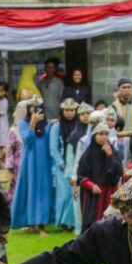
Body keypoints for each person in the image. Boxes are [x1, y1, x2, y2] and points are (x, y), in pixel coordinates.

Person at [11, 97, 54, 236]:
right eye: (31, 107)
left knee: (43, 191)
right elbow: (27, 140)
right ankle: (30, 222)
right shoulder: (23, 124)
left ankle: (42, 225)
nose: (34, 109)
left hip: (45, 163)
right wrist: (33, 123)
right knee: (30, 190)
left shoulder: (47, 124)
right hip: (29, 163)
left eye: (37, 106)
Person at [77, 122, 124, 231]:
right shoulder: (88, 155)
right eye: (101, 134)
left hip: (109, 192)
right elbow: (81, 176)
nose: (104, 137)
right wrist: (91, 186)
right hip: (93, 195)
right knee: (93, 222)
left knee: (109, 222)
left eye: (106, 134)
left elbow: (119, 172)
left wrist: (110, 155)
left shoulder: (114, 152)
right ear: (94, 136)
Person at [50, 98, 84, 231]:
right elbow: (53, 147)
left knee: (74, 195)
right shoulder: (56, 127)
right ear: (62, 111)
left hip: (76, 164)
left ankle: (73, 222)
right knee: (63, 196)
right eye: (67, 110)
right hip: (62, 167)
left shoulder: (79, 125)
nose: (70, 113)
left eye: (72, 110)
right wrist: (61, 163)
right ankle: (62, 223)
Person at [71, 103, 95, 233]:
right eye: (83, 114)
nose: (86, 116)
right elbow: (77, 160)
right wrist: (74, 178)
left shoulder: (103, 135)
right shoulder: (80, 138)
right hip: (84, 175)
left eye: (88, 114)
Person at [5, 98, 32, 200]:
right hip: (18, 169)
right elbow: (9, 152)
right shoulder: (14, 131)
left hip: (31, 166)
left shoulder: (34, 128)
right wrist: (10, 172)